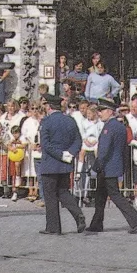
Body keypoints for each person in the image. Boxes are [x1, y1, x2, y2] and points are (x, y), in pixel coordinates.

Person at [87, 97, 137, 233]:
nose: (99, 113)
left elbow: (104, 150)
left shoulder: (109, 127)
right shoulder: (120, 126)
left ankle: (136, 220)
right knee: (100, 196)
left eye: (101, 110)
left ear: (109, 111)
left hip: (107, 167)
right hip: (113, 166)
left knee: (115, 195)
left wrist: (95, 167)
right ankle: (96, 224)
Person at [37, 94, 86, 234]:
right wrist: (70, 153)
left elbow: (45, 144)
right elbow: (78, 141)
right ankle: (78, 214)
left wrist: (60, 155)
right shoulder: (70, 120)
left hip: (51, 164)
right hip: (65, 164)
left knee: (51, 196)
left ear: (48, 106)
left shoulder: (46, 122)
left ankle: (53, 227)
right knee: (64, 192)